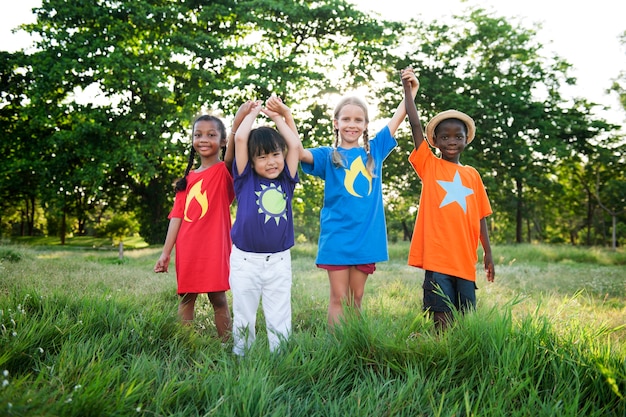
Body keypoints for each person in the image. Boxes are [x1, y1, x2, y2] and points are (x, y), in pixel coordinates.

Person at [299, 69, 420, 328]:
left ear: (365, 124)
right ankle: (335, 349)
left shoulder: (374, 150)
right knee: (338, 298)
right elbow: (298, 152)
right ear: (336, 123)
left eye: (358, 119)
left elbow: (400, 116)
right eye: (346, 119)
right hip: (337, 236)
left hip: (366, 236)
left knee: (357, 297)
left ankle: (353, 347)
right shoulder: (327, 156)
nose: (352, 124)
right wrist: (285, 117)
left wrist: (411, 91)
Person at [402, 72, 495, 331]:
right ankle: (441, 353)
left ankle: (462, 358)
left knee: (465, 318)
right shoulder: (430, 166)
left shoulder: (472, 175)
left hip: (465, 259)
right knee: (442, 316)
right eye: (445, 137)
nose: (451, 141)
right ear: (435, 141)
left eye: (457, 136)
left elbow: (481, 217)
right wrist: (407, 89)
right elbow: (415, 126)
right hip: (438, 257)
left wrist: (487, 252)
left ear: (467, 139)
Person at [154, 109, 245, 341]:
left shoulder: (225, 172)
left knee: (218, 298)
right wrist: (165, 253)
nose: (204, 139)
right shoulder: (187, 180)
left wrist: (237, 122)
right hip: (188, 248)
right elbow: (176, 218)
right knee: (186, 298)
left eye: (211, 135)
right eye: (198, 135)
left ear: (223, 140)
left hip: (215, 247)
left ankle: (227, 347)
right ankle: (186, 345)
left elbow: (231, 156)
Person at [227, 96, 301, 356]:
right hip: (245, 261)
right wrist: (253, 113)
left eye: (275, 155)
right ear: (251, 160)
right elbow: (239, 140)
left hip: (279, 261)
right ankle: (241, 356)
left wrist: (278, 117)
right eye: (262, 157)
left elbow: (294, 144)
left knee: (279, 314)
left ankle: (280, 360)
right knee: (244, 314)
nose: (270, 162)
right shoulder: (244, 178)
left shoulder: (287, 180)